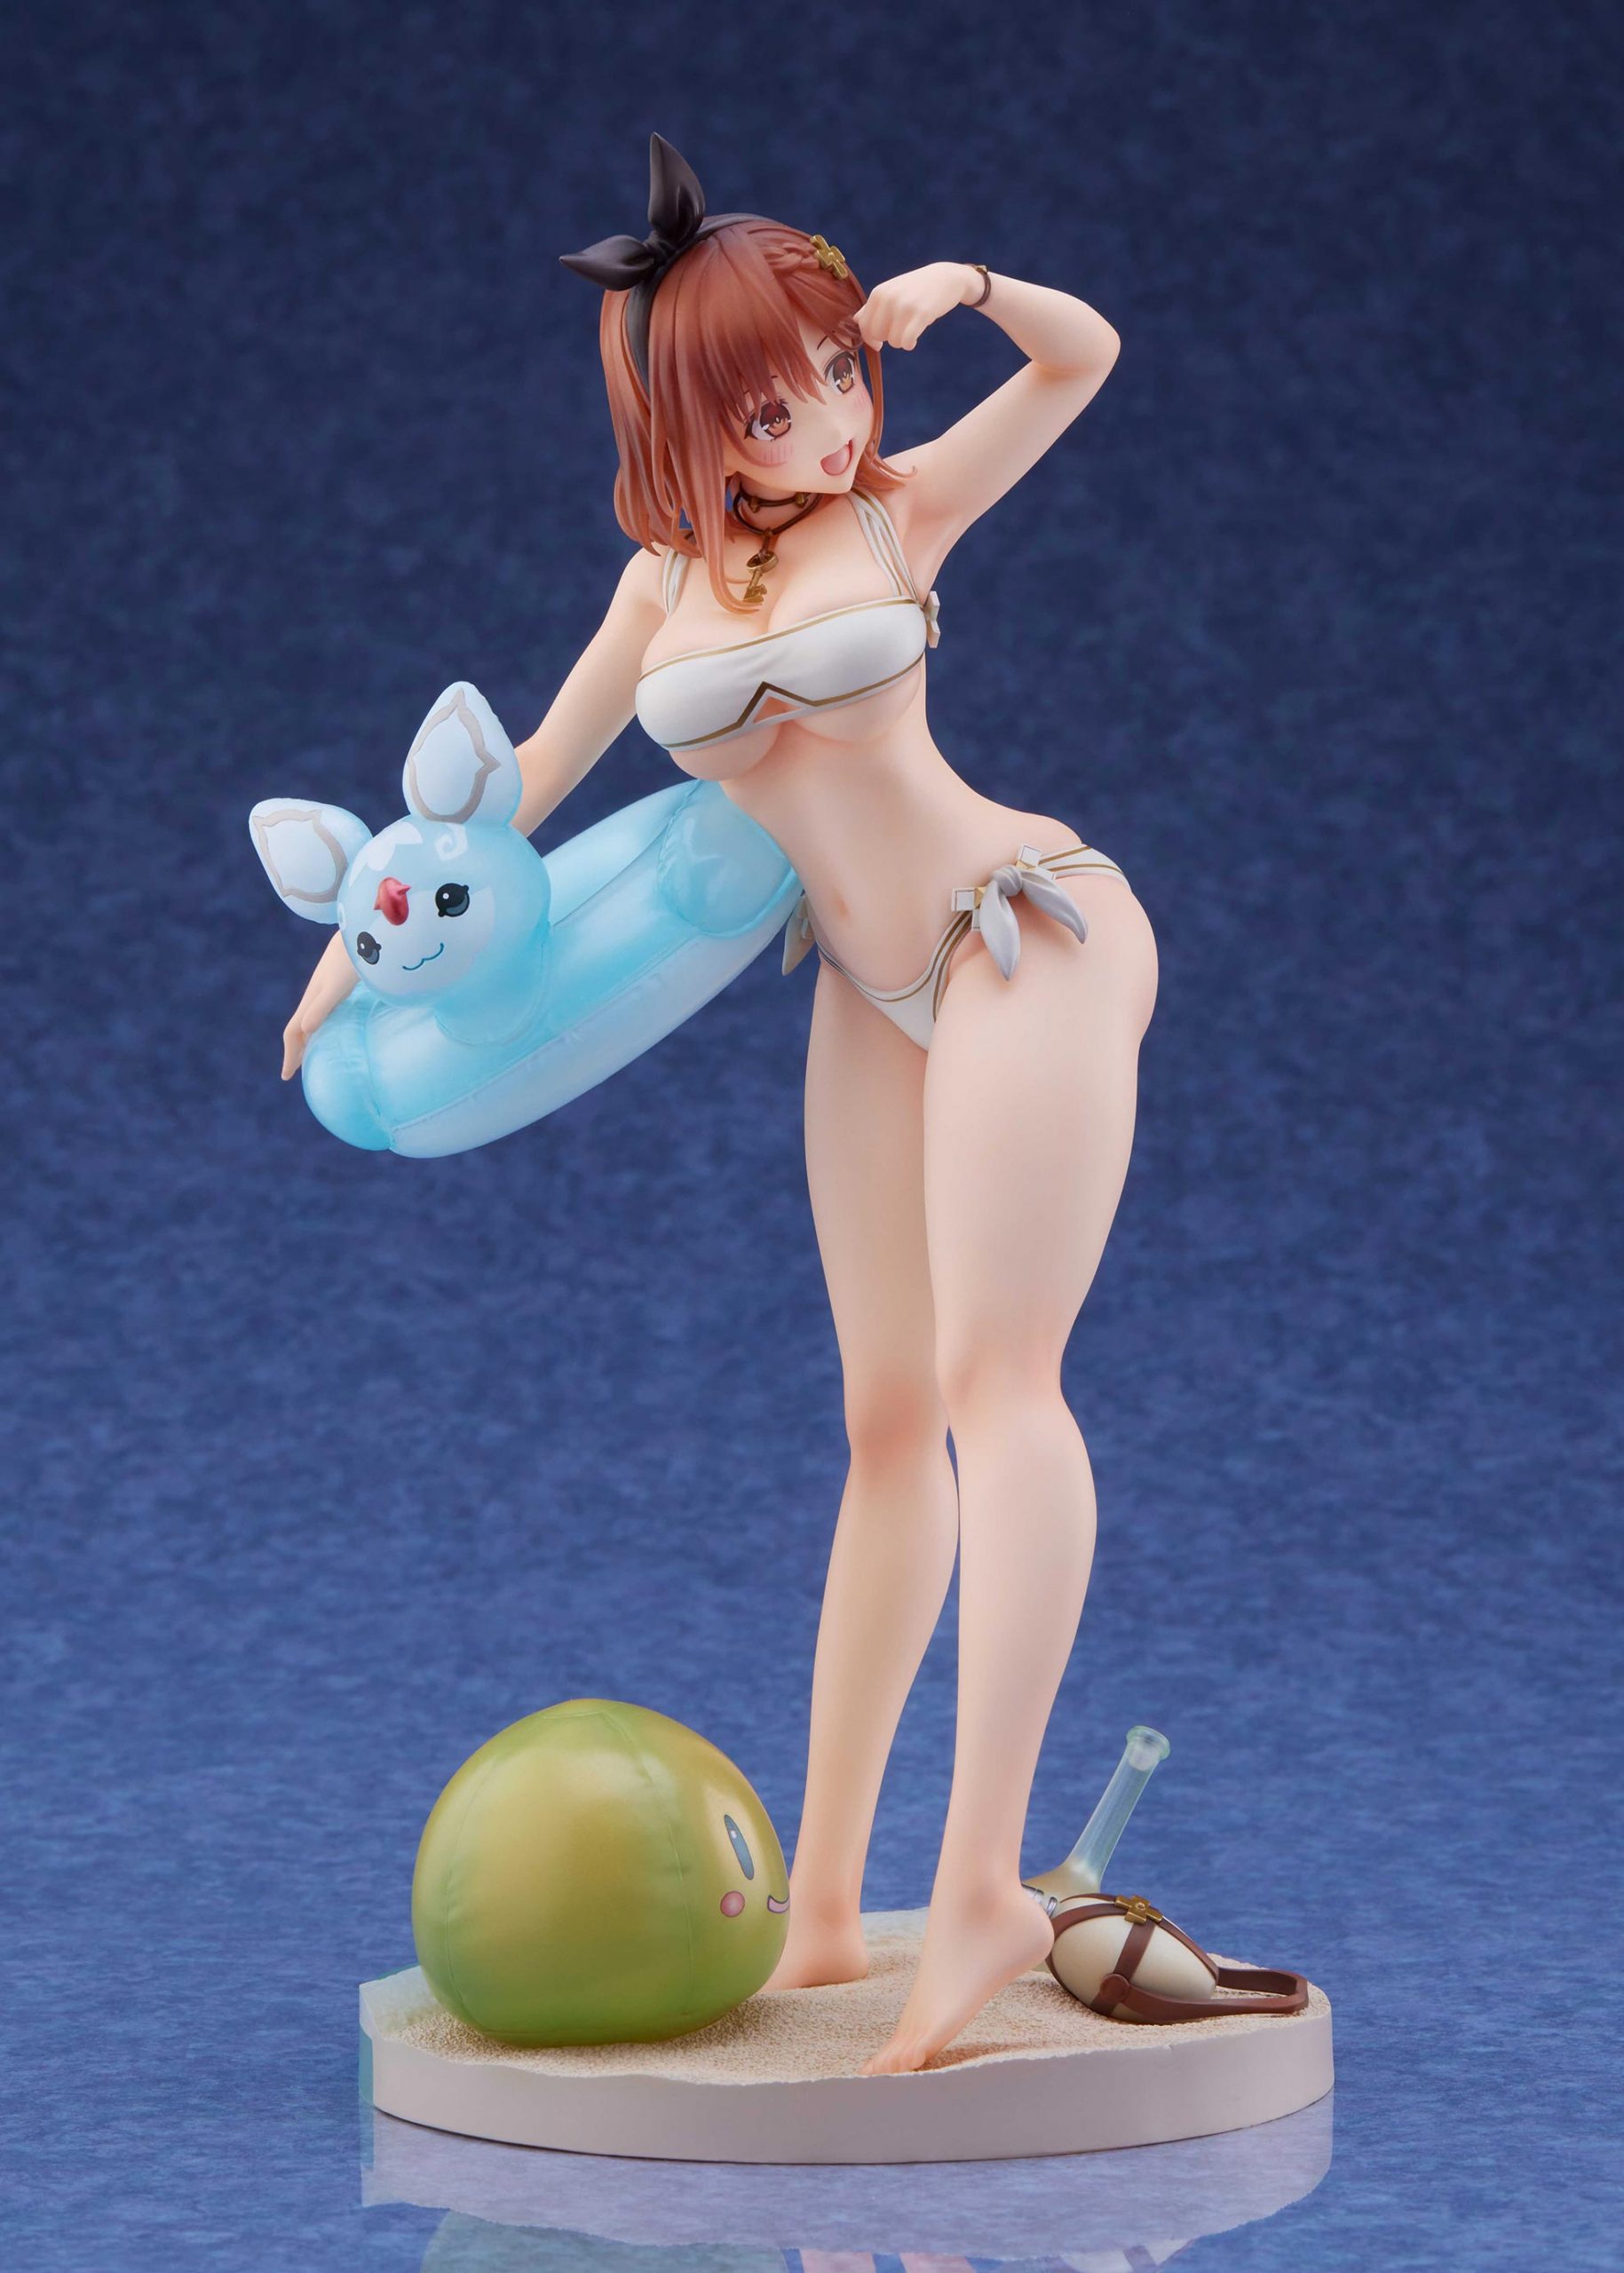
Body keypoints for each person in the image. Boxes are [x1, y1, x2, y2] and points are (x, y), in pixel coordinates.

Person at [281, 137, 1158, 2074]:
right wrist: (361, 954)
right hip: (865, 990)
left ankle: (983, 1879)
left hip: (1020, 929)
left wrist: (967, 287)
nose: (834, 422)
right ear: (689, 426)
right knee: (882, 1424)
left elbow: (1085, 360)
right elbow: (527, 778)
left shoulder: (903, 510)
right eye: (775, 403)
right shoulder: (659, 585)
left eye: (842, 372)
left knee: (1000, 1386)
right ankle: (829, 1900)